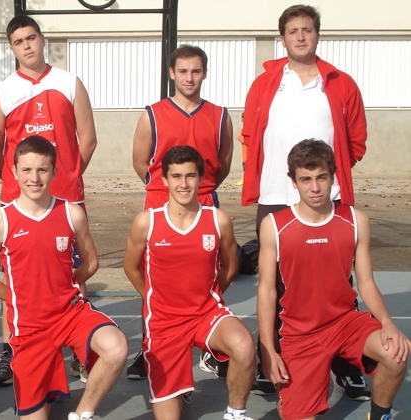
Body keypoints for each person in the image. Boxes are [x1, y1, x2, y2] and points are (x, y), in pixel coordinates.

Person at [241, 4, 369, 398]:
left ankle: (347, 365)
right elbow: (250, 135)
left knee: (339, 283)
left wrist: (325, 177)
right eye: (293, 31)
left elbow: (356, 141)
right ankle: (270, 359)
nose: (300, 36)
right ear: (282, 38)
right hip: (275, 198)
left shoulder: (341, 83)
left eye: (307, 29)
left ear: (317, 34)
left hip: (326, 198)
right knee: (276, 285)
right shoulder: (265, 84)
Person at [0, 136, 128, 420]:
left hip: (69, 312)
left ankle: (82, 415)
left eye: (42, 170)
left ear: (55, 172)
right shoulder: (0, 222)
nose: (34, 178)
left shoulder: (71, 213)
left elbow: (91, 262)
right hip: (30, 325)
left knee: (116, 347)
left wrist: (63, 286)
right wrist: (20, 298)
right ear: (14, 171)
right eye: (26, 169)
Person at [258, 139, 409, 420]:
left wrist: (388, 323)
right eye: (306, 179)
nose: (315, 187)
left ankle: (380, 415)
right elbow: (267, 291)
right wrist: (267, 350)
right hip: (300, 334)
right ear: (293, 182)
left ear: (333, 177)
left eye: (321, 177)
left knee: (395, 353)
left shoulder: (356, 221)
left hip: (345, 323)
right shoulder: (274, 226)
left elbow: (366, 282)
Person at [0, 14, 98, 386]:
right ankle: (10, 350)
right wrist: (19, 184)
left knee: (73, 273)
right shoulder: (2, 92)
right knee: (16, 279)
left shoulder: (69, 82)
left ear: (42, 38)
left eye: (31, 38)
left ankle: (79, 350)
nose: (27, 46)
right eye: (19, 41)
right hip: (19, 202)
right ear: (11, 48)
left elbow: (88, 138)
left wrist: (69, 176)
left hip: (65, 197)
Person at [124, 145, 255, 420]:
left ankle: (235, 414)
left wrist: (211, 295)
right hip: (164, 322)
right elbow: (131, 267)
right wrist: (153, 297)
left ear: (201, 178)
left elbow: (230, 266)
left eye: (190, 176)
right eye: (176, 176)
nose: (183, 184)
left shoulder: (218, 219)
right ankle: (177, 382)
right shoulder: (147, 221)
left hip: (206, 313)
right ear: (164, 179)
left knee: (244, 346)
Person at [127, 44, 234, 380]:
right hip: (161, 200)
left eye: (196, 71)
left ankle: (208, 346)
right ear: (172, 73)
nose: (190, 78)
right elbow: (140, 162)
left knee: (209, 274)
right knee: (156, 278)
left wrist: (200, 188)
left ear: (205, 73)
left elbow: (223, 165)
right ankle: (150, 346)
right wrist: (167, 189)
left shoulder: (220, 116)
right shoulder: (153, 114)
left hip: (203, 200)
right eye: (183, 71)